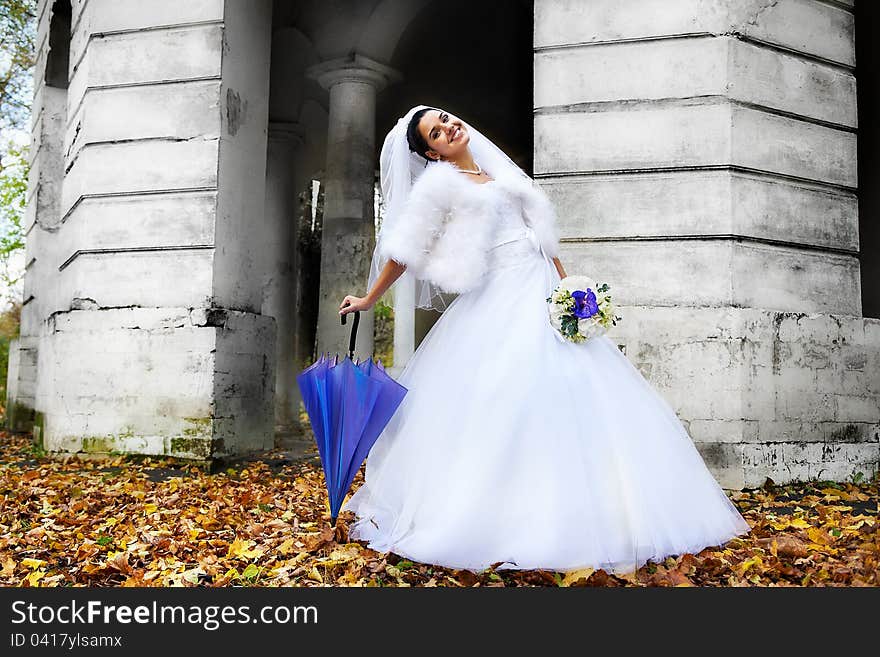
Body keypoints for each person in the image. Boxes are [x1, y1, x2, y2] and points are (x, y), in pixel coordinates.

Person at [336, 105, 750, 575]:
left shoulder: (499, 171)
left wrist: (570, 290)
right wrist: (370, 297)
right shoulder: (440, 187)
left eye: (447, 118)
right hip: (498, 300)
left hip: (543, 295)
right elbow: (406, 249)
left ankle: (601, 511)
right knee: (509, 398)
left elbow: (542, 238)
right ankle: (506, 518)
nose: (450, 126)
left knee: (582, 392)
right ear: (431, 151)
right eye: (437, 131)